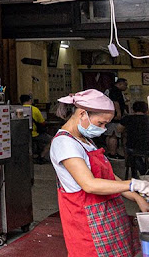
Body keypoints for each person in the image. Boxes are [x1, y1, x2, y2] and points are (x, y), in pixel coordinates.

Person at [50, 89, 149, 257]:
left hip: (108, 217)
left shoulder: (86, 140)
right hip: (87, 221)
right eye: (101, 123)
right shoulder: (65, 144)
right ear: (82, 113)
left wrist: (137, 197)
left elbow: (109, 178)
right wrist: (133, 183)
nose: (103, 129)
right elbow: (89, 184)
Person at [118, 101, 149, 175]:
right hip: (147, 146)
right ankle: (144, 170)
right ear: (146, 110)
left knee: (125, 140)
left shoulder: (127, 118)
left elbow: (119, 130)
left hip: (132, 147)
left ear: (133, 109)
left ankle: (134, 168)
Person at [21, 94, 51, 164]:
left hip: (22, 134)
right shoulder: (34, 109)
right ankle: (41, 156)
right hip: (34, 134)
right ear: (29, 100)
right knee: (51, 140)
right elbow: (42, 123)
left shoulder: (18, 109)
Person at [104, 77, 128, 158]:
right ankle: (113, 153)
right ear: (120, 84)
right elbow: (116, 102)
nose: (126, 87)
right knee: (113, 134)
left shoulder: (110, 90)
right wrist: (118, 113)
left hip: (108, 115)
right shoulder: (115, 91)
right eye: (125, 85)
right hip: (114, 115)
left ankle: (110, 152)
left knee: (109, 134)